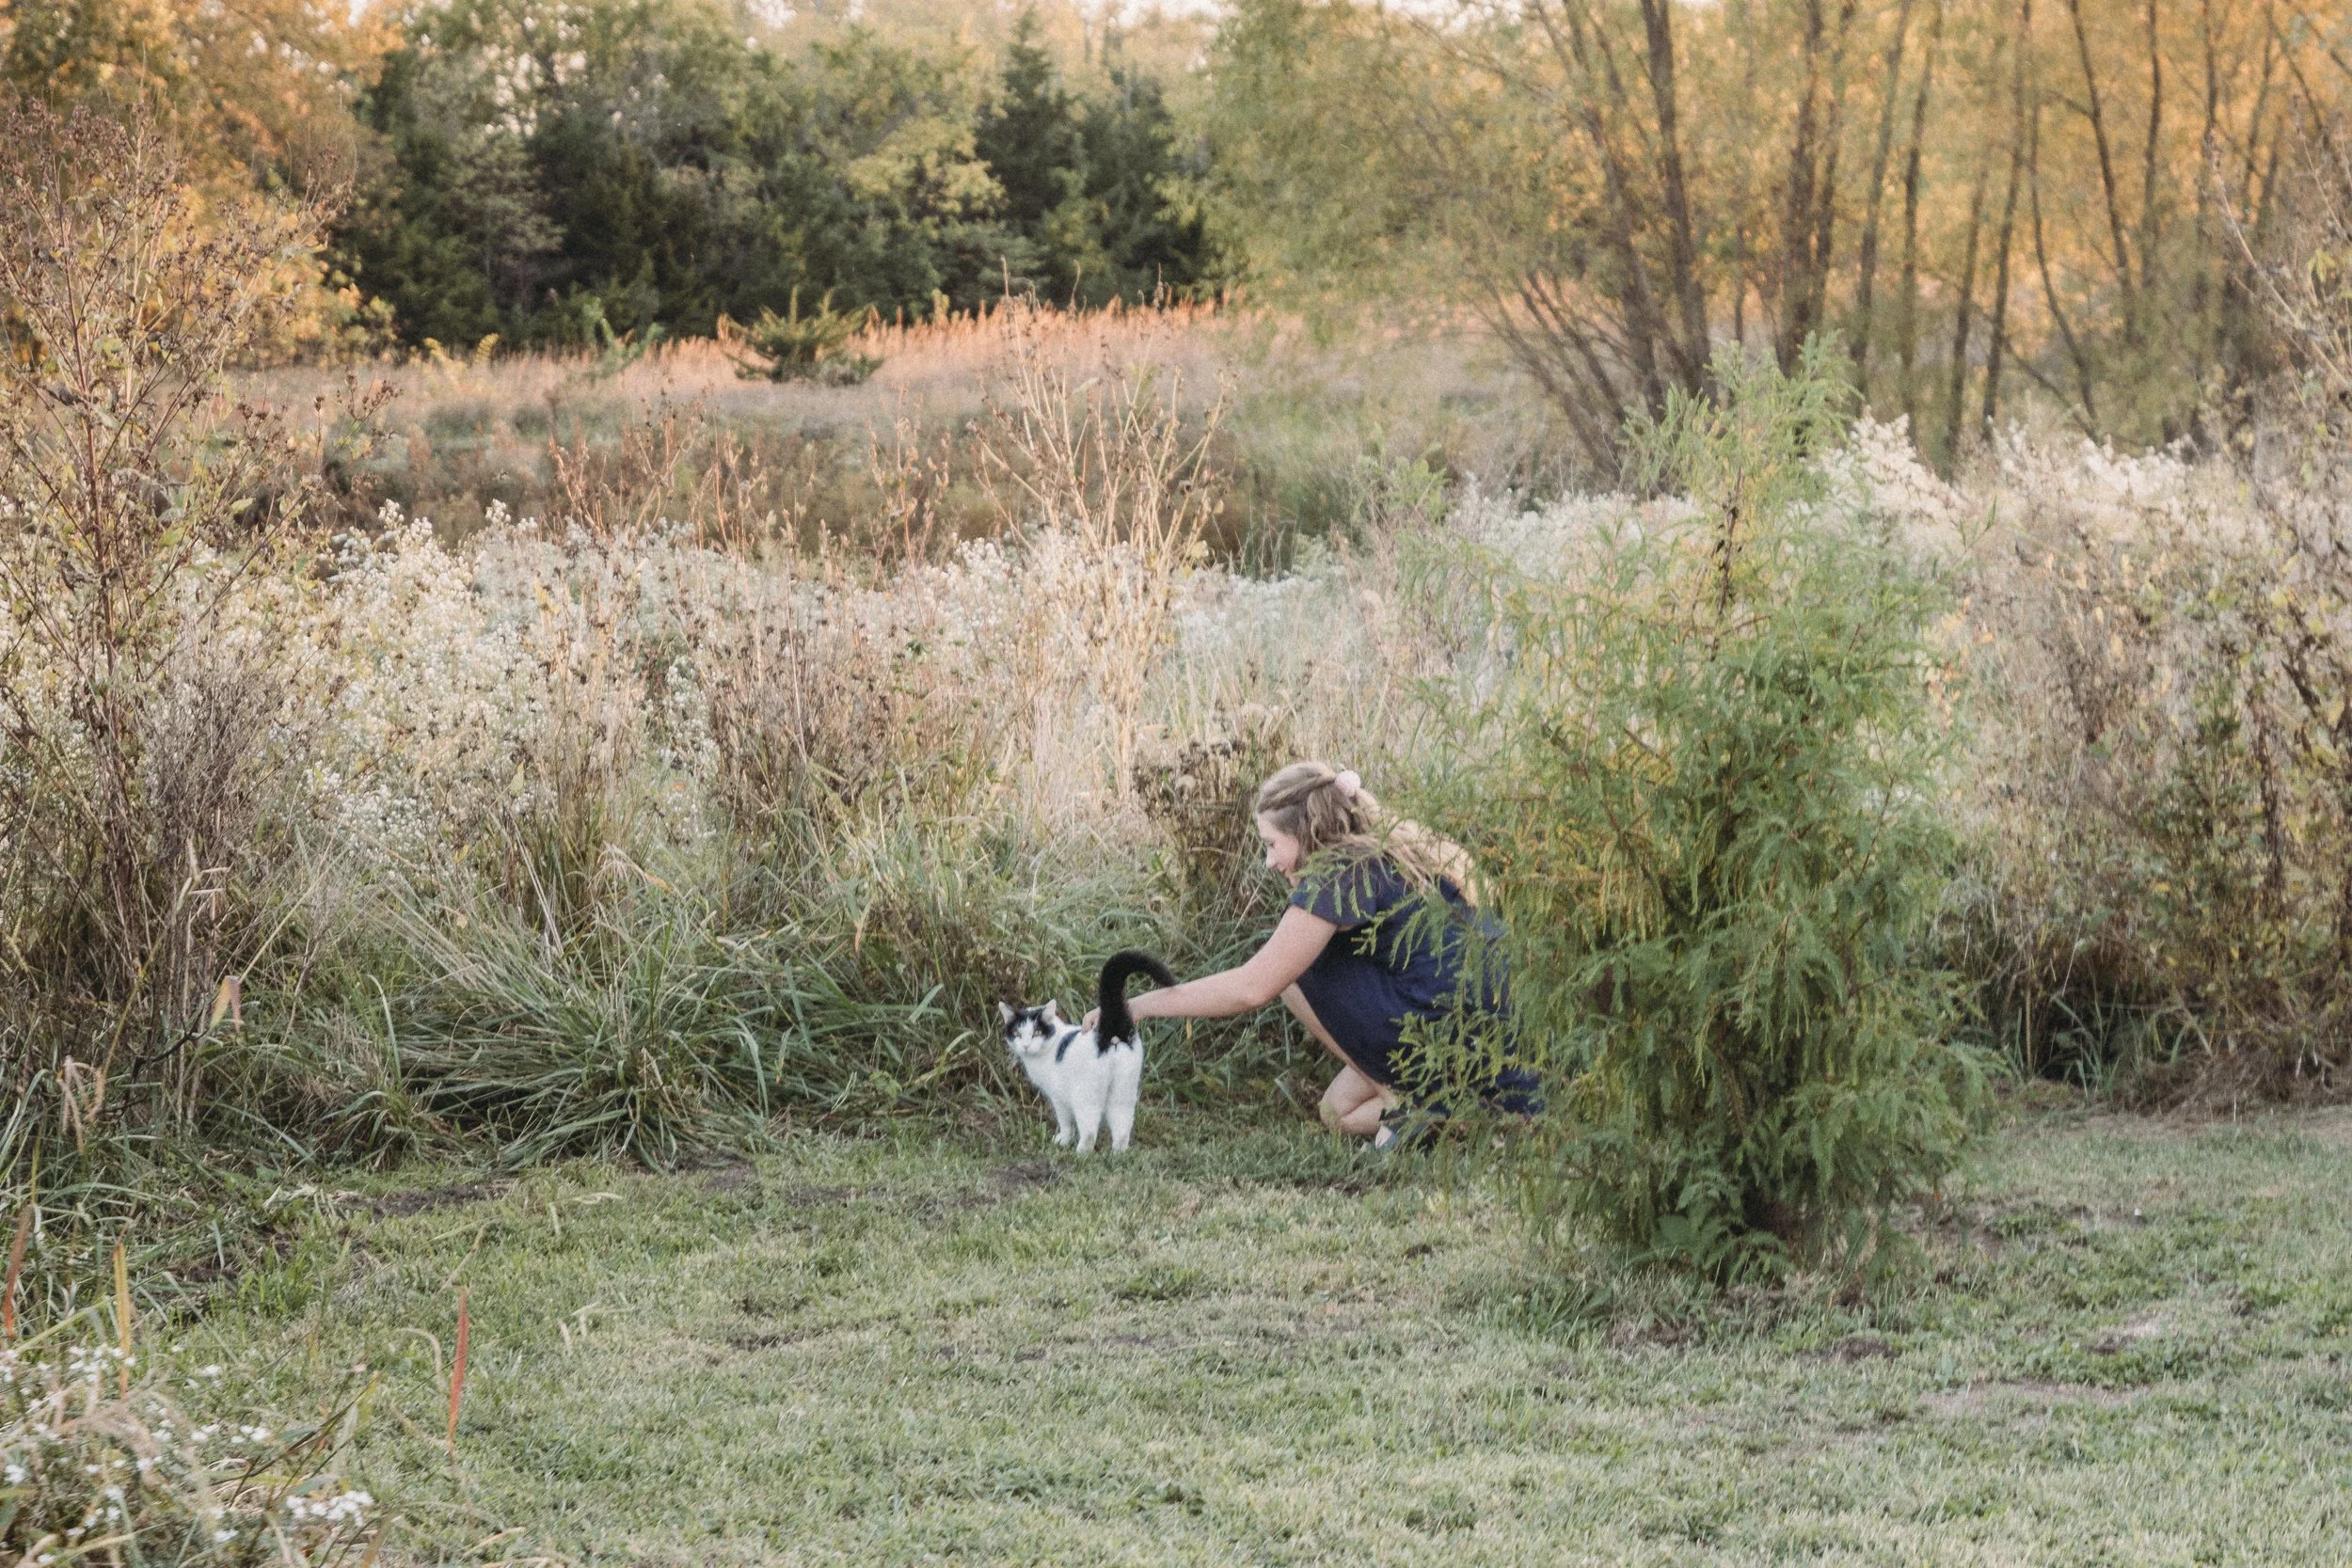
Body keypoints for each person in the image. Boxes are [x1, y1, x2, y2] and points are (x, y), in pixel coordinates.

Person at [1090, 760, 1527, 1149]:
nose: (1268, 862)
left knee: (1292, 973)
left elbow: (1251, 987)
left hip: (1448, 1024)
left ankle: (1408, 1101)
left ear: (1305, 833)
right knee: (1338, 1112)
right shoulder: (1383, 850)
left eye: (1271, 844)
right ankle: (1473, 1114)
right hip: (1488, 1030)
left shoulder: (1339, 876)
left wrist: (1138, 1007)